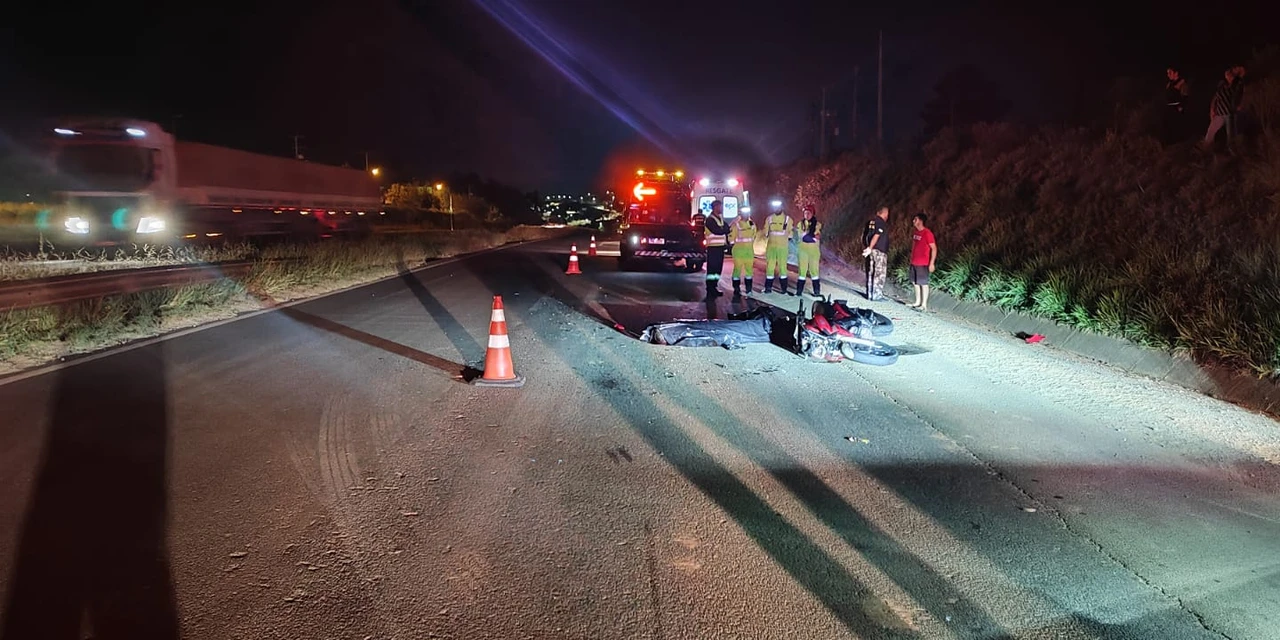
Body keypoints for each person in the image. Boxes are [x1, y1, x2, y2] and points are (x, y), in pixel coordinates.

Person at [908, 213, 937, 310]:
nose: (913, 221)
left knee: (923, 283)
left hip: (923, 262)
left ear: (920, 221)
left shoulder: (927, 233)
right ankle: (917, 302)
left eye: (915, 219)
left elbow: (934, 248)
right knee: (915, 282)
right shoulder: (916, 232)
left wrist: (932, 263)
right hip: (914, 261)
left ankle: (924, 304)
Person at [1204, 67, 1241, 146]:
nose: (1227, 76)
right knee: (1210, 131)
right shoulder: (1222, 86)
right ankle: (1206, 147)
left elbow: (1238, 97)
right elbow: (1215, 98)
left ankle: (1233, 151)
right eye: (1226, 74)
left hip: (1229, 114)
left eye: (1229, 74)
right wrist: (1212, 109)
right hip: (1219, 114)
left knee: (1231, 135)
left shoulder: (1236, 86)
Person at [762, 202, 793, 294]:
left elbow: (790, 233)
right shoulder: (769, 219)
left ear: (782, 207)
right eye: (775, 207)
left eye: (778, 207)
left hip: (782, 248)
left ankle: (784, 288)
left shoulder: (788, 219)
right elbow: (765, 232)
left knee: (783, 268)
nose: (777, 208)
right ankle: (768, 288)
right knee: (770, 267)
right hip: (771, 247)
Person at [860, 206, 890, 301]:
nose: (887, 216)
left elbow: (865, 235)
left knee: (871, 272)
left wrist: (868, 247)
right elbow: (876, 235)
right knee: (879, 273)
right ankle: (877, 295)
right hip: (879, 251)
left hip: (872, 251)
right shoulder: (880, 222)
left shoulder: (871, 222)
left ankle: (870, 294)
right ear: (884, 213)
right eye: (887, 214)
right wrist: (870, 247)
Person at [728, 208, 758, 299]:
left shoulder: (752, 224)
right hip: (739, 251)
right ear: (740, 214)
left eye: (747, 213)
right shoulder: (736, 225)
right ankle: (736, 289)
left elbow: (754, 235)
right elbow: (731, 239)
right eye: (744, 213)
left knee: (749, 271)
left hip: (749, 251)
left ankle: (749, 289)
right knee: (737, 270)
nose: (746, 215)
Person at [703, 200, 729, 301]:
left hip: (720, 247)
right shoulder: (710, 219)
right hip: (713, 248)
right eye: (720, 207)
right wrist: (724, 229)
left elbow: (726, 228)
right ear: (715, 207)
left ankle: (714, 287)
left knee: (718, 270)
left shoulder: (720, 219)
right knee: (712, 270)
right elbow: (718, 231)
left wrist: (724, 229)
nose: (721, 208)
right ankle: (710, 288)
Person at [795, 204, 822, 297]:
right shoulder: (800, 224)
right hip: (802, 251)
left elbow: (818, 237)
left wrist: (810, 236)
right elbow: (803, 237)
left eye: (808, 213)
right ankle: (799, 291)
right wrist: (812, 237)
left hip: (814, 252)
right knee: (802, 271)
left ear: (812, 213)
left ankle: (817, 291)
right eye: (805, 213)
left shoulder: (818, 224)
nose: (806, 215)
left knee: (814, 271)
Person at [1164, 67, 1190, 143]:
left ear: (1176, 73)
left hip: (1177, 108)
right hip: (1169, 108)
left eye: (1170, 73)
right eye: (1167, 73)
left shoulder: (1183, 83)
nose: (1168, 75)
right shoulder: (1169, 84)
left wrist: (1181, 106)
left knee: (1177, 127)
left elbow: (1185, 97)